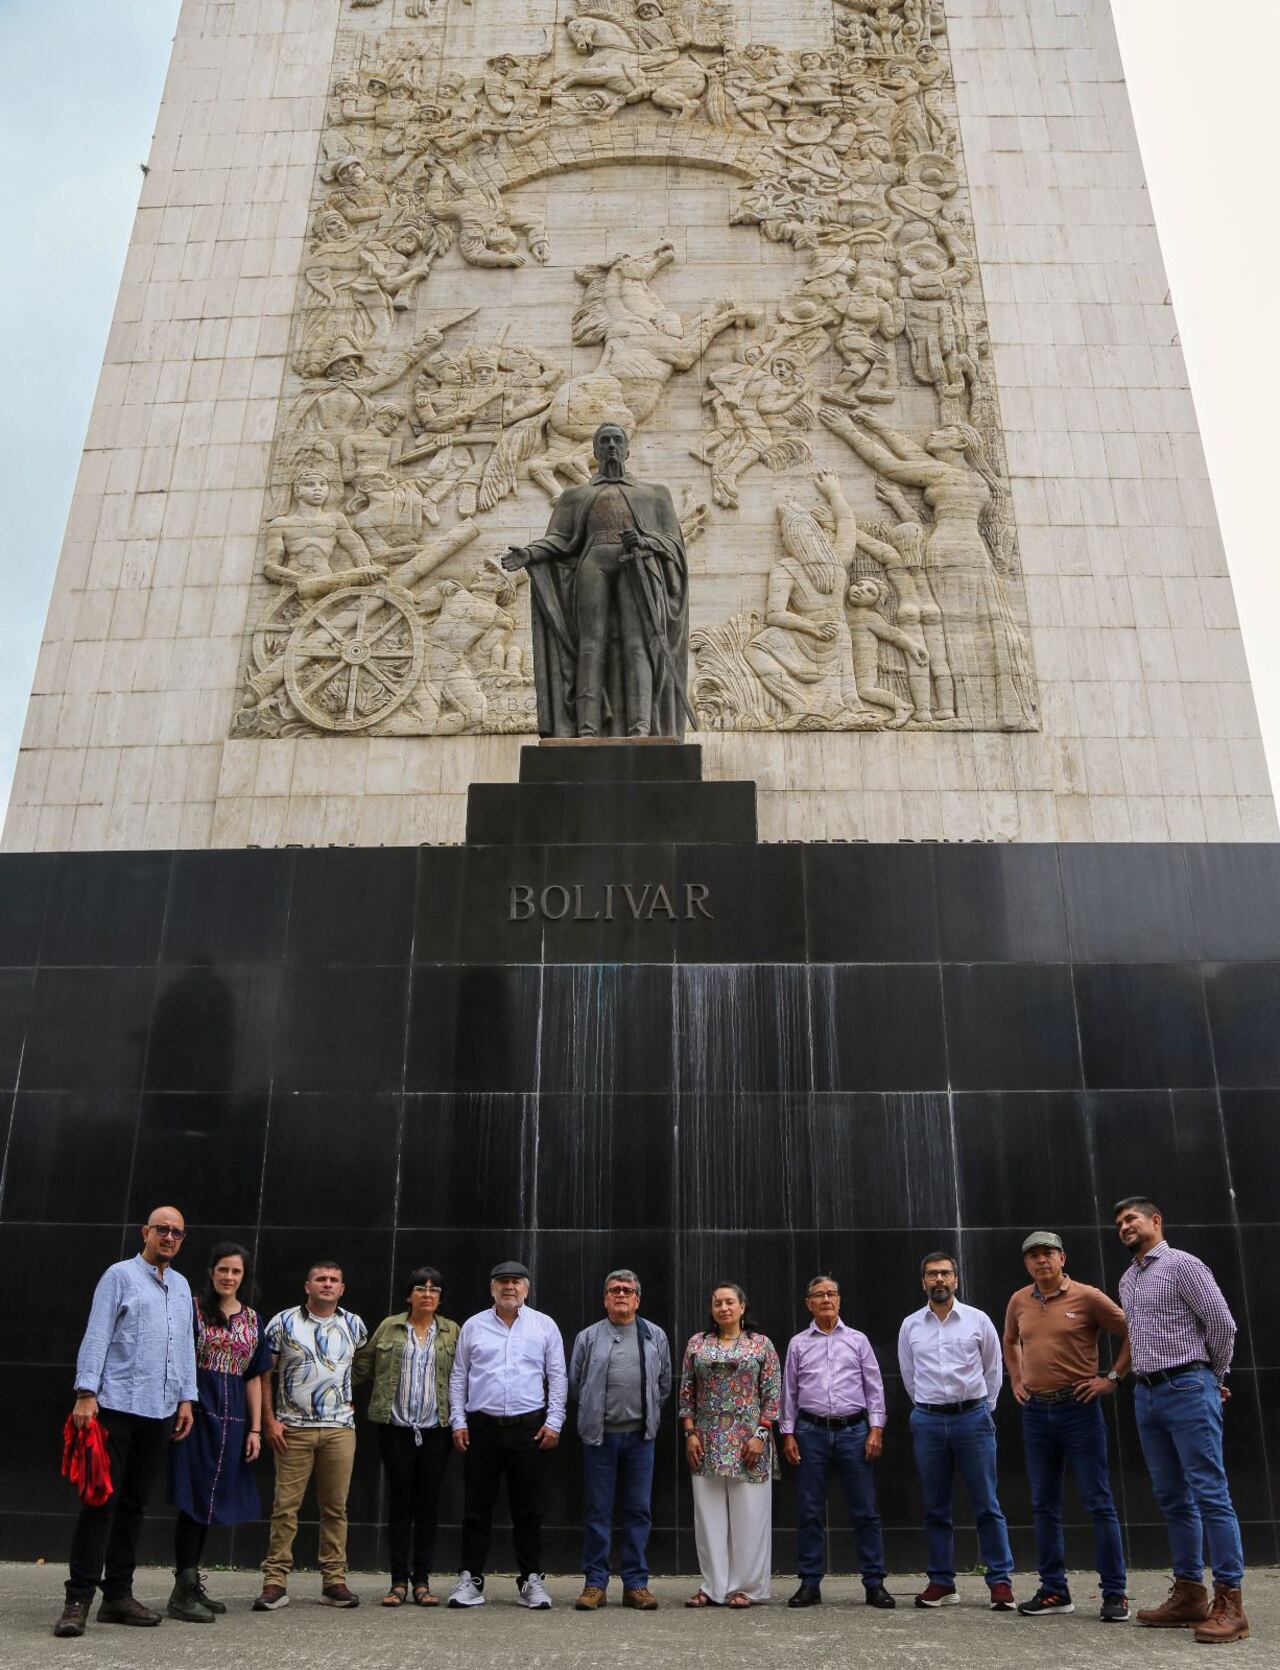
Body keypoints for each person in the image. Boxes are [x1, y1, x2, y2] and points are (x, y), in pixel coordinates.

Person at [54, 1206, 197, 1639]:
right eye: (162, 1230)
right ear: (145, 1233)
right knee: (100, 1504)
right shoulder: (119, 1276)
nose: (169, 1237)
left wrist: (187, 1399)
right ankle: (78, 1600)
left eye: (177, 1232)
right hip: (115, 1406)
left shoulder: (182, 1285)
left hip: (161, 1409)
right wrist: (85, 1393)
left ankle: (118, 1595)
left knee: (134, 1506)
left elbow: (185, 1347)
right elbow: (97, 1334)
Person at [1114, 1197, 1249, 1643]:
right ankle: (1190, 1593)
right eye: (1118, 1223)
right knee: (1172, 1498)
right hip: (1147, 1395)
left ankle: (1230, 1602)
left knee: (1210, 1492)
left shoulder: (1183, 1265)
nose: (1124, 1226)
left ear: (1156, 1220)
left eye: (1131, 1218)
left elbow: (1222, 1324)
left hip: (1188, 1386)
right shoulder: (1128, 1279)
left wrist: (1214, 1377)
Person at [502, 423, 690, 739]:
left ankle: (640, 727)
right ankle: (586, 727)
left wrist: (647, 541)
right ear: (595, 451)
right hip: (594, 562)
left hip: (636, 564)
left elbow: (674, 543)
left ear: (628, 450)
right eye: (604, 441)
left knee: (637, 644)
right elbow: (560, 540)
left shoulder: (654, 494)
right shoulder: (576, 496)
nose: (612, 446)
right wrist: (530, 554)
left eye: (618, 440)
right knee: (590, 644)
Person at [1002, 1231, 1130, 1621]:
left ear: (1062, 1258)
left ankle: (1115, 1593)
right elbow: (1010, 1340)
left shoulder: (1088, 1297)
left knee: (1098, 1501)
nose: (1041, 1261)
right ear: (1026, 1263)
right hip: (1037, 1412)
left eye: (1048, 1254)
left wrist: (1112, 1377)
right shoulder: (1019, 1300)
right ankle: (1054, 1590)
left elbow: (1131, 1330)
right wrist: (1017, 1379)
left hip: (1079, 1408)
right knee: (1043, 1503)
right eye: (1034, 1256)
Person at [897, 1251, 1015, 1611]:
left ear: (956, 1280)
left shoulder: (977, 1321)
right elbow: (909, 1376)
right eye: (932, 1274)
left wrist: (983, 1409)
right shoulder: (911, 1326)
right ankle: (941, 1582)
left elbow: (993, 1370)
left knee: (987, 1504)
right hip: (929, 1420)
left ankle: (1000, 1582)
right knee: (935, 1507)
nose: (939, 1280)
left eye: (945, 1274)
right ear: (923, 1281)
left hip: (972, 1418)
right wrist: (928, 1408)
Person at [447, 1260, 568, 1610]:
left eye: (516, 1282)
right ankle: (470, 1579)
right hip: (481, 1427)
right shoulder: (473, 1326)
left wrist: (555, 1421)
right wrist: (459, 1421)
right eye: (502, 1282)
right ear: (492, 1288)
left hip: (529, 1429)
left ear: (526, 1289)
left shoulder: (544, 1326)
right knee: (476, 1508)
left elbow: (557, 1376)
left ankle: (531, 1580)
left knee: (528, 1510)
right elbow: (459, 1377)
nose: (509, 1287)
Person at [167, 1241, 272, 1623]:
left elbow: (255, 1377)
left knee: (211, 1500)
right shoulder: (192, 1310)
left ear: (244, 1277)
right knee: (193, 1499)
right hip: (196, 1411)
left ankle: (190, 1583)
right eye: (223, 1269)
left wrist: (256, 1429)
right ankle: (182, 1589)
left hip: (234, 1417)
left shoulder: (253, 1319)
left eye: (236, 1271)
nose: (229, 1277)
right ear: (211, 1272)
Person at [254, 1260, 368, 1612]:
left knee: (335, 1508)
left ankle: (334, 1582)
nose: (327, 1284)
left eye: (334, 1280)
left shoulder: (355, 1325)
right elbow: (264, 1375)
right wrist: (269, 1421)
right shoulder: (282, 1323)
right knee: (285, 1508)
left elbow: (361, 1365)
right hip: (292, 1430)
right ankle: (274, 1582)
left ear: (342, 1288)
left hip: (339, 1429)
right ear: (308, 1286)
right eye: (321, 1279)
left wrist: (346, 1394)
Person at [779, 1275, 893, 1610]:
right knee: (810, 1510)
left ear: (839, 1300)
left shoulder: (857, 1340)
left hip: (854, 1432)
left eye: (831, 1294)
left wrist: (876, 1429)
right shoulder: (799, 1343)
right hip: (811, 1432)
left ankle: (874, 1584)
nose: (826, 1299)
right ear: (808, 1303)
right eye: (819, 1295)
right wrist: (787, 1433)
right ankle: (809, 1583)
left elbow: (874, 1387)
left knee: (865, 1511)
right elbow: (790, 1391)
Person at [354, 1265, 460, 1607]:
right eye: (420, 1288)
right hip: (395, 1428)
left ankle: (423, 1581)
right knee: (400, 1504)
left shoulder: (452, 1332)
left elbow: (463, 1377)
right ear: (409, 1295)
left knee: (427, 1505)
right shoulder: (390, 1327)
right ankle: (397, 1581)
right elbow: (362, 1367)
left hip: (436, 1429)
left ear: (440, 1297)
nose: (427, 1294)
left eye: (434, 1289)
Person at [568, 1268, 673, 1611]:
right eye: (614, 1290)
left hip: (640, 1439)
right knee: (598, 1511)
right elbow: (576, 1384)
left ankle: (636, 1585)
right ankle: (595, 1583)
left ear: (638, 1298)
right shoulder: (588, 1337)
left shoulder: (654, 1335)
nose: (621, 1295)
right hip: (600, 1438)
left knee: (637, 1511)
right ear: (605, 1298)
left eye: (628, 1290)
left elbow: (664, 1385)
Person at [679, 1283, 781, 1609]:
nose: (724, 1308)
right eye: (717, 1303)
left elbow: (773, 1396)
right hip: (706, 1441)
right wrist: (690, 1434)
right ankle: (712, 1586)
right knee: (708, 1519)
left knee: (749, 1518)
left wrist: (760, 1437)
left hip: (750, 1442)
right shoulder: (698, 1343)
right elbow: (686, 1394)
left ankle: (746, 1588)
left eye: (729, 1302)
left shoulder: (761, 1345)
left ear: (742, 1307)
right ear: (712, 1309)